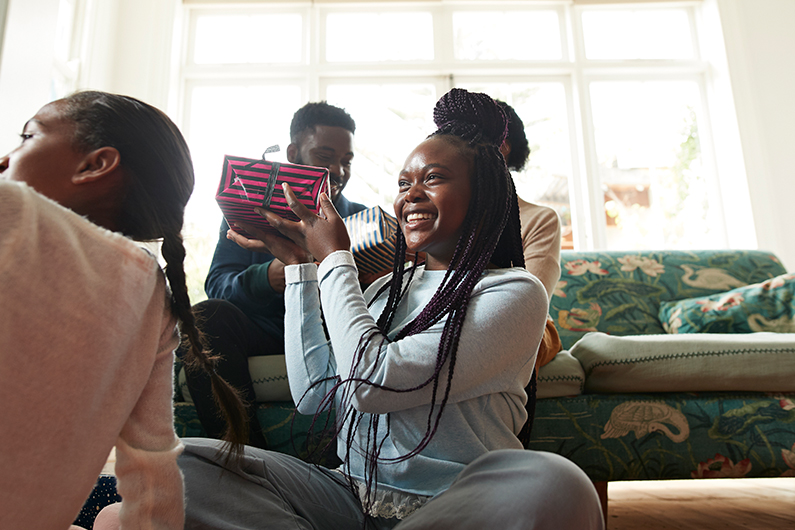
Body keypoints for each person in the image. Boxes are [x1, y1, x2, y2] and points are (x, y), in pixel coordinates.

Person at [176, 88, 603, 529]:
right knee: (182, 462)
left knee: (557, 481)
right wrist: (302, 269)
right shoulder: (385, 290)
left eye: (432, 178)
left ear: (484, 194)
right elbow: (315, 394)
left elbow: (372, 383)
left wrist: (334, 259)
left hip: (452, 502)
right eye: (404, 183)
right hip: (350, 492)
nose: (411, 195)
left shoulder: (513, 291)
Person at [0, 91, 246, 530]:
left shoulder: (12, 211)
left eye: (26, 137)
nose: (7, 157)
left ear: (96, 164)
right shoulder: (151, 294)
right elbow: (154, 475)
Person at [180, 102, 367, 448]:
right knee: (206, 317)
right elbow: (217, 285)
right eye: (326, 156)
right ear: (294, 153)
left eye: (347, 161)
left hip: (329, 336)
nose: (338, 170)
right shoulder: (250, 212)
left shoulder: (364, 220)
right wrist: (270, 276)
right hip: (266, 331)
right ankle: (244, 454)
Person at [496, 99, 563, 374]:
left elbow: (529, 306)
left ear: (502, 148)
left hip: (530, 329)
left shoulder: (539, 219)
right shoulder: (440, 218)